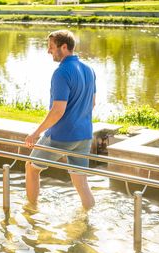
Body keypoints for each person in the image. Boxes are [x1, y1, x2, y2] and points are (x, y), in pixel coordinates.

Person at [25, 30, 96, 209]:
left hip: (61, 136)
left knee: (31, 167)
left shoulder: (61, 73)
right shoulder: (89, 70)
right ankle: (89, 221)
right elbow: (92, 103)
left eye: (51, 47)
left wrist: (35, 133)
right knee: (81, 182)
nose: (48, 51)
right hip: (85, 135)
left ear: (64, 47)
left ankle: (31, 212)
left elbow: (58, 111)